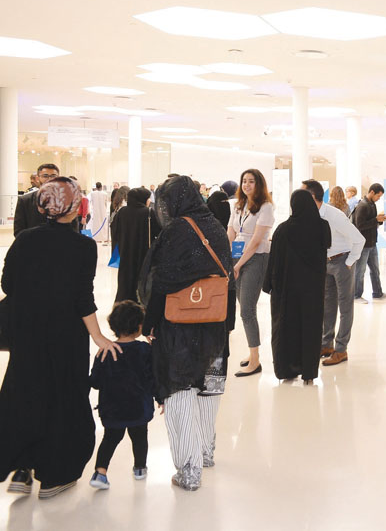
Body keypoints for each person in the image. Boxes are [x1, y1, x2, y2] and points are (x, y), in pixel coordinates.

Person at [1, 178, 121, 499]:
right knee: (63, 397)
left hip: (26, 332)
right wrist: (98, 336)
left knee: (25, 393)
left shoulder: (24, 239)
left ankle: (21, 468)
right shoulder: (83, 246)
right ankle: (55, 475)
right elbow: (83, 297)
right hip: (65, 336)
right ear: (74, 206)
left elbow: (8, 283)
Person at [139, 175, 236, 490]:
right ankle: (206, 451)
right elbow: (227, 277)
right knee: (209, 386)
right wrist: (228, 323)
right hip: (215, 321)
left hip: (180, 325)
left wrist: (148, 323)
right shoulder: (216, 227)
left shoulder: (176, 231)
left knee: (179, 390)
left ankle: (189, 468)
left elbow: (162, 282)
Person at [264, 190, 331, 382]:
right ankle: (309, 372)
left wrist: (268, 284)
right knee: (310, 328)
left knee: (286, 328)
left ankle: (287, 370)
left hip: (287, 290)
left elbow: (274, 261)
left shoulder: (283, 230)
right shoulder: (322, 226)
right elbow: (326, 246)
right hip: (313, 289)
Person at [88, 301, 155, 490]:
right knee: (140, 437)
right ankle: (140, 468)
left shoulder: (105, 351)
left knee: (110, 439)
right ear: (139, 326)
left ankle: (100, 473)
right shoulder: (144, 350)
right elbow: (152, 378)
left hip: (112, 408)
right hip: (138, 408)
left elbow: (95, 382)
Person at [302, 180, 364, 367]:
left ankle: (341, 349)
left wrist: (349, 262)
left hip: (341, 262)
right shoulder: (310, 214)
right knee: (327, 305)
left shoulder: (334, 215)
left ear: (313, 197)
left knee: (345, 307)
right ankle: (326, 344)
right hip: (325, 263)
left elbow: (359, 239)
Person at [227, 168, 275, 377]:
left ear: (259, 184)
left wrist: (237, 266)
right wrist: (228, 259)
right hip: (237, 258)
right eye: (244, 181)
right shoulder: (238, 205)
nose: (246, 185)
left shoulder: (266, 207)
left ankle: (255, 360)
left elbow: (256, 241)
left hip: (255, 259)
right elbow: (231, 231)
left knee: (247, 310)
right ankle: (251, 353)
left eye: (251, 181)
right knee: (243, 308)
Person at [111, 187, 160, 303]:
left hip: (125, 253)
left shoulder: (122, 212)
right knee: (142, 279)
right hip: (143, 253)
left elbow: (115, 232)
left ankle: (124, 304)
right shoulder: (148, 212)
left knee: (125, 280)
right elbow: (158, 232)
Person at [351, 183, 386, 303]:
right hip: (363, 244)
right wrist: (375, 220)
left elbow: (371, 222)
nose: (379, 198)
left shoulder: (372, 204)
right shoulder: (362, 205)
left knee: (375, 269)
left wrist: (379, 220)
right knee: (360, 271)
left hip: (372, 243)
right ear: (372, 192)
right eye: (378, 196)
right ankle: (356, 296)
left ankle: (377, 292)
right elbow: (360, 225)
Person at [12, 163, 59, 236]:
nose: (49, 179)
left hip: (59, 245)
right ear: (38, 178)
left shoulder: (67, 201)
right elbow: (19, 231)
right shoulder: (25, 201)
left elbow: (73, 231)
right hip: (32, 245)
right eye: (45, 176)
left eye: (53, 176)